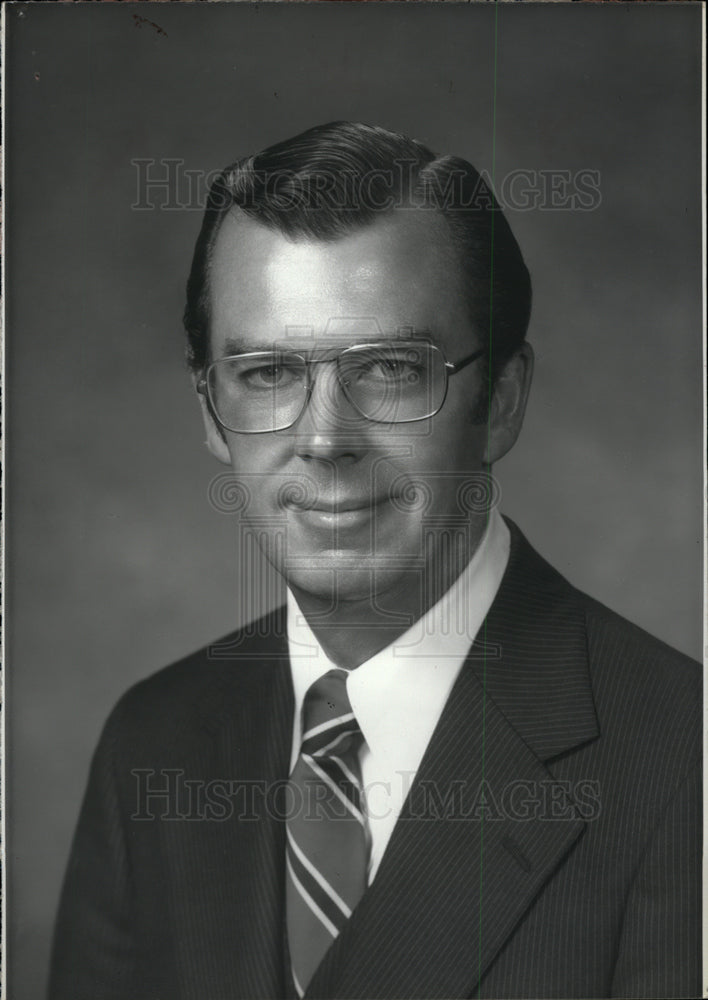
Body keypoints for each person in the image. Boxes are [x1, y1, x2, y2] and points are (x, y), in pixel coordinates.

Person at [49, 121, 700, 1000]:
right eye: (270, 373)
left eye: (391, 368)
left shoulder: (681, 764)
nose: (325, 440)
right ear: (209, 412)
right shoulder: (154, 742)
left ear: (501, 402)